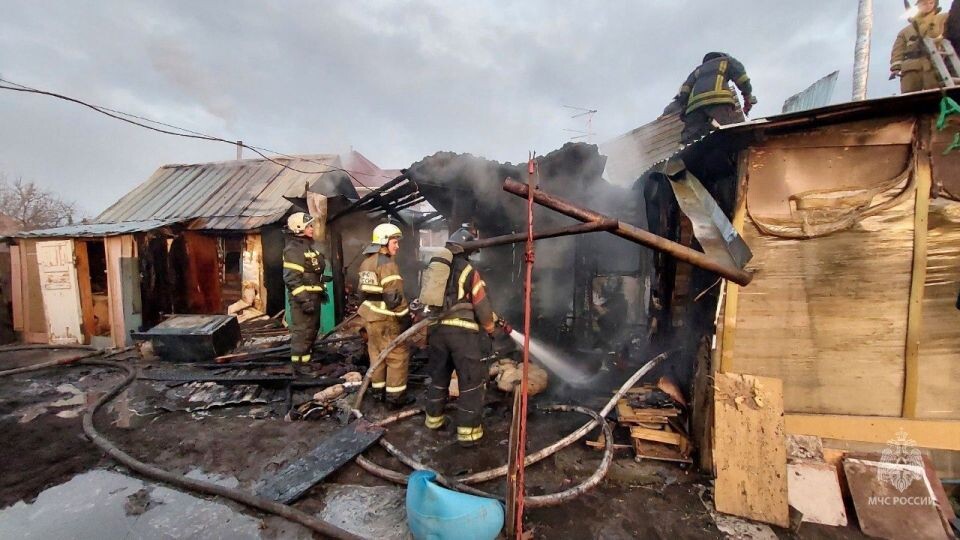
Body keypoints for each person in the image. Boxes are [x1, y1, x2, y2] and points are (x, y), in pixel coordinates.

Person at [422, 226, 509, 448]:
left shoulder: (437, 268)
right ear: (467, 250)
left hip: (437, 332)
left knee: (438, 378)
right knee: (471, 383)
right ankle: (468, 435)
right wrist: (490, 329)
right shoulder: (468, 270)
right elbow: (481, 305)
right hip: (462, 335)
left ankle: (433, 421)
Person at [358, 222, 411, 407]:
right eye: (394, 242)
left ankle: (377, 392)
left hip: (369, 317)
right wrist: (405, 318)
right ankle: (395, 399)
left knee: (376, 354)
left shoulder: (366, 262)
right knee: (397, 356)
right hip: (386, 318)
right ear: (384, 241)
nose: (398, 246)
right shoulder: (387, 264)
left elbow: (361, 293)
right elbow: (394, 298)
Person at [663, 52, 757, 144]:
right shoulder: (727, 61)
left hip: (694, 107)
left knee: (690, 139)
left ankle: (688, 151)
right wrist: (748, 97)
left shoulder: (697, 70)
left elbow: (684, 92)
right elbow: (743, 80)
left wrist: (670, 110)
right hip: (718, 101)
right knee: (731, 130)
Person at [283, 212, 326, 363]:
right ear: (298, 228)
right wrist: (304, 300)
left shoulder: (308, 248)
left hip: (312, 298)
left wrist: (320, 285)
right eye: (308, 226)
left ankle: (307, 361)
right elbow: (292, 279)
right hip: (303, 300)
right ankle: (300, 366)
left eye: (311, 226)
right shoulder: (294, 249)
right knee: (302, 333)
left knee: (311, 331)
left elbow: (312, 272)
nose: (312, 229)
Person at [891, 0, 948, 93]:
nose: (928, 5)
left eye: (931, 3)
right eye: (924, 3)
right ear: (917, 5)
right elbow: (898, 51)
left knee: (936, 94)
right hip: (911, 69)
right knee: (910, 96)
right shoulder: (905, 32)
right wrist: (896, 67)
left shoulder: (942, 18)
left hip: (934, 65)